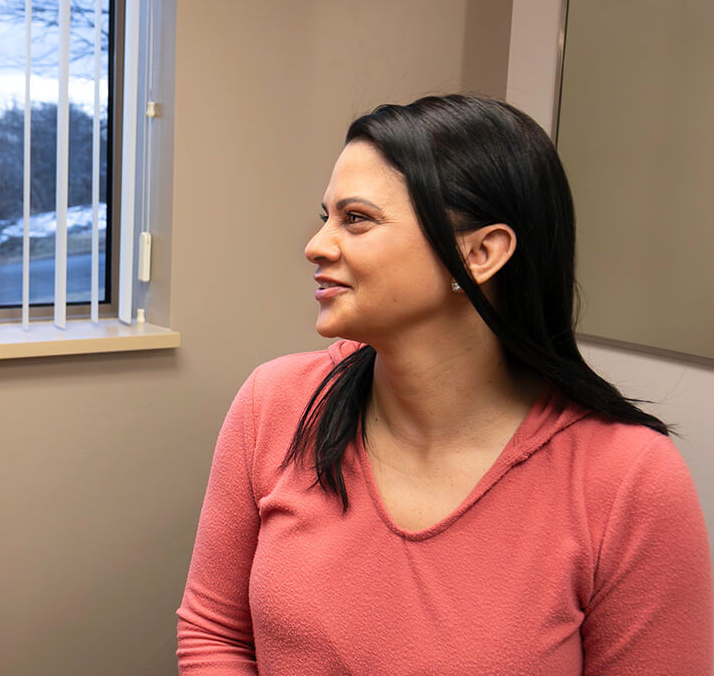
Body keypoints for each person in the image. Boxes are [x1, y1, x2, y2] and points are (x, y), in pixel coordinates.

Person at [176, 95, 712, 675]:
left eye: (356, 219)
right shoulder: (275, 402)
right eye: (325, 216)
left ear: (481, 253)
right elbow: (215, 634)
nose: (317, 244)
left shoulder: (629, 479)